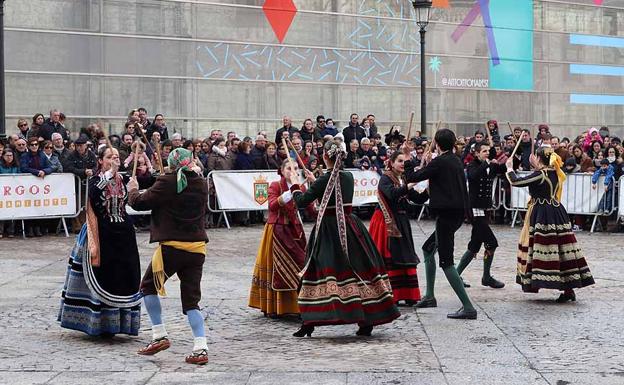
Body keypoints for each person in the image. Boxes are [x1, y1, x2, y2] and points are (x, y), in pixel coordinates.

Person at [288, 138, 400, 337]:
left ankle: (310, 320)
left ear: (325, 156)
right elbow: (333, 190)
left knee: (319, 268)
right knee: (358, 268)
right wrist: (316, 182)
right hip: (351, 227)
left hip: (329, 230)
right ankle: (366, 320)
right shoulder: (347, 176)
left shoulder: (325, 179)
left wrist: (296, 186)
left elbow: (303, 202)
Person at [128, 148, 209, 365]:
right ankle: (201, 348)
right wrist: (161, 177)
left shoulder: (167, 181)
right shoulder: (202, 183)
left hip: (171, 249)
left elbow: (140, 203)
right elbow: (176, 187)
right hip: (197, 249)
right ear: (190, 162)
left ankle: (159, 335)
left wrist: (133, 189)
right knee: (192, 301)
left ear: (172, 164)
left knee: (147, 287)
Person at [58, 146, 142, 336]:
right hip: (100, 233)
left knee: (124, 277)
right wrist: (109, 176)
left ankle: (120, 323)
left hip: (123, 235)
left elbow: (143, 191)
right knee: (102, 275)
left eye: (117, 157)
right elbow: (94, 196)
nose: (114, 160)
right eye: (110, 157)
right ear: (101, 161)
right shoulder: (96, 181)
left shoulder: (125, 179)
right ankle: (97, 322)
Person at [404, 129, 477, 319]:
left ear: (436, 144)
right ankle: (429, 296)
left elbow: (411, 177)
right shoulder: (454, 160)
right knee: (428, 249)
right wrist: (428, 166)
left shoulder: (440, 163)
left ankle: (468, 307)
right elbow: (425, 192)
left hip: (447, 216)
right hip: (455, 214)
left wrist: (406, 157)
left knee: (446, 262)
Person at [505, 146, 595, 301]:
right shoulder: (555, 172)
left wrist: (509, 168)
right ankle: (567, 288)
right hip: (556, 211)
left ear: (539, 159)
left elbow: (516, 181)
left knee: (541, 246)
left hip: (542, 213)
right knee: (561, 249)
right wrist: (536, 166)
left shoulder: (541, 174)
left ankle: (537, 281)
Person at [368, 150, 428, 306]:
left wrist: (428, 188)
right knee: (390, 256)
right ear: (391, 163)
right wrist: (408, 186)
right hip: (386, 222)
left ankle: (408, 294)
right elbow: (392, 194)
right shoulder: (385, 178)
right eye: (399, 161)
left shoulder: (402, 180)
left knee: (404, 255)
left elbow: (416, 198)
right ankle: (389, 294)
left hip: (401, 221)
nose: (402, 164)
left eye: (403, 161)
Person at [249, 159, 307, 317]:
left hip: (295, 231)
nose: (293, 172)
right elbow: (272, 205)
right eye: (289, 168)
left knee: (301, 264)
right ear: (281, 171)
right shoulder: (276, 185)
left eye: (295, 168)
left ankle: (297, 306)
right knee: (276, 269)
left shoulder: (301, 187)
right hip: (277, 229)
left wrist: (315, 186)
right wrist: (291, 192)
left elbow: (310, 208)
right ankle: (275, 307)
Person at [456, 142, 506, 289]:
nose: (486, 153)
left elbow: (502, 169)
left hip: (484, 208)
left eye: (487, 151)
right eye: (483, 151)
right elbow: (473, 176)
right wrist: (487, 163)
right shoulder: (472, 165)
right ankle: (486, 276)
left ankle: (457, 274)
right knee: (492, 242)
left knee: (475, 244)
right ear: (477, 153)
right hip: (475, 208)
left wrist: (506, 163)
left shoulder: (490, 164)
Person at [0, 148, 20, 238]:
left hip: (13, 192)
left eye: (11, 155)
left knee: (12, 210)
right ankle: (0, 230)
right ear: (3, 156)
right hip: (2, 192)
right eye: (7, 155)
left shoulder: (16, 166)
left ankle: (11, 231)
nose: (9, 157)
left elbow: (21, 177)